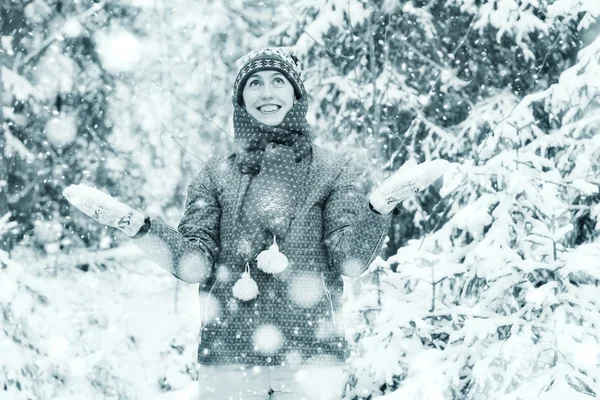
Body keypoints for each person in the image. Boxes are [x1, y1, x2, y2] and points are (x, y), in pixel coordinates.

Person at [64, 47, 447, 399]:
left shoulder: (332, 170)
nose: (267, 92)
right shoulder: (215, 174)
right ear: (241, 98)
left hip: (312, 357)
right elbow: (194, 263)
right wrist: (137, 225)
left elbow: (349, 260)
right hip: (229, 355)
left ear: (296, 95)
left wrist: (381, 206)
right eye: (255, 83)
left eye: (278, 81)